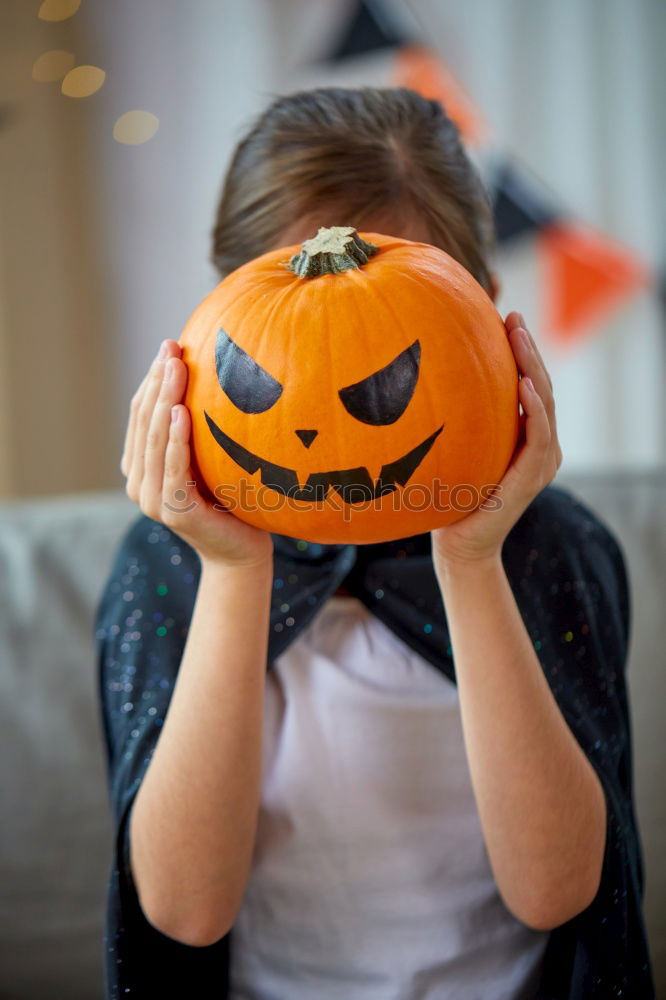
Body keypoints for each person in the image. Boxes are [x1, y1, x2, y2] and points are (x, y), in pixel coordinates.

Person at [96, 87, 655, 999]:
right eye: (293, 341)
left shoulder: (547, 547)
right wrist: (235, 564)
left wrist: (471, 557)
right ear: (216, 319)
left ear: (488, 314)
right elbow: (184, 910)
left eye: (392, 342)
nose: (321, 418)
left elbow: (559, 893)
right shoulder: (167, 563)